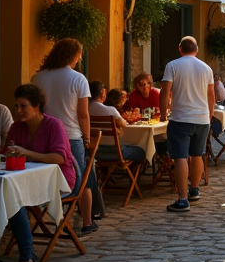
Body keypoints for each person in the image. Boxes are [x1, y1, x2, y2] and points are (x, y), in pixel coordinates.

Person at [4, 84, 76, 262]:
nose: (18, 111)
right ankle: (27, 254)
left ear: (37, 106)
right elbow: (7, 153)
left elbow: (60, 158)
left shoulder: (54, 125)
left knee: (15, 198)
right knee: (11, 196)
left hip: (57, 181)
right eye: (16, 106)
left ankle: (26, 255)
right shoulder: (16, 127)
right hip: (27, 180)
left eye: (23, 106)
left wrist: (27, 153)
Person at [32, 38, 96, 235]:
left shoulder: (37, 78)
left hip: (44, 136)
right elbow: (83, 113)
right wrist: (87, 138)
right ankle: (86, 221)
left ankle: (42, 218)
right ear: (73, 55)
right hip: (71, 135)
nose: (79, 59)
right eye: (79, 55)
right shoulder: (78, 79)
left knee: (44, 178)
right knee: (82, 179)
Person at [160, 36, 215, 213]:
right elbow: (211, 95)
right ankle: (194, 189)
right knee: (197, 154)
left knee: (181, 157)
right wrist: (209, 114)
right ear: (197, 50)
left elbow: (165, 92)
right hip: (201, 118)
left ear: (180, 48)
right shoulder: (206, 68)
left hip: (180, 118)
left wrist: (163, 113)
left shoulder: (173, 66)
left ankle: (182, 199)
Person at [89, 87, 147, 168]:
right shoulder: (111, 110)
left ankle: (105, 176)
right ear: (103, 93)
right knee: (142, 151)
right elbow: (124, 124)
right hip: (116, 153)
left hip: (95, 152)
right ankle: (133, 179)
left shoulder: (86, 110)